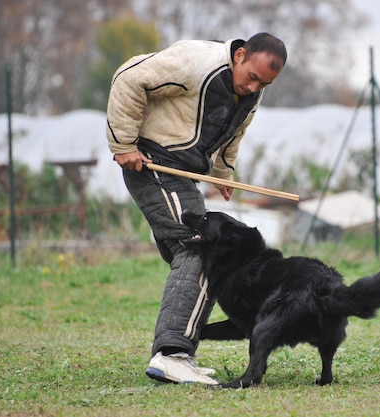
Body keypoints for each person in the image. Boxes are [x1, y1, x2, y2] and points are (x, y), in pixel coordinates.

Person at [106, 33, 287, 385]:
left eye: (264, 83)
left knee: (196, 253)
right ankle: (172, 355)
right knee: (203, 246)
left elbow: (236, 129)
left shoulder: (251, 90)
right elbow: (129, 77)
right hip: (151, 164)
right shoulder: (198, 61)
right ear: (239, 54)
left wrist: (222, 172)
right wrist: (124, 142)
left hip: (183, 176)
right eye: (252, 76)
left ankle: (176, 355)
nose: (254, 87)